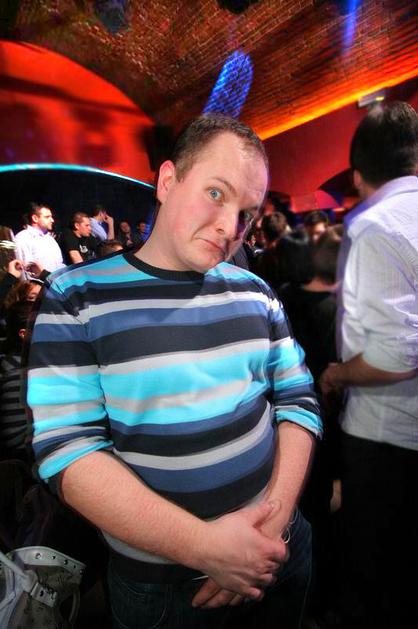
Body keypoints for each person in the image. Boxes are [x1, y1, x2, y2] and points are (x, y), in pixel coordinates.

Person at [27, 114, 322, 629]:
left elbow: (299, 400)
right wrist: (208, 548)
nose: (231, 228)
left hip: (280, 550)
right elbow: (68, 451)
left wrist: (271, 526)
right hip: (166, 588)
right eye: (216, 193)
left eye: (246, 213)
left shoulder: (255, 292)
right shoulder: (77, 296)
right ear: (168, 180)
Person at [320, 101, 418, 629]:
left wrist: (337, 375)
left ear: (357, 176)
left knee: (376, 571)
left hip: (387, 436)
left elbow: (395, 355)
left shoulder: (376, 225)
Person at [14, 203, 65, 275]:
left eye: (51, 217)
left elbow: (59, 264)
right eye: (47, 217)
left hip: (58, 281)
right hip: (41, 282)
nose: (52, 220)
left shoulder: (50, 238)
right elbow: (24, 271)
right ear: (35, 218)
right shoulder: (22, 238)